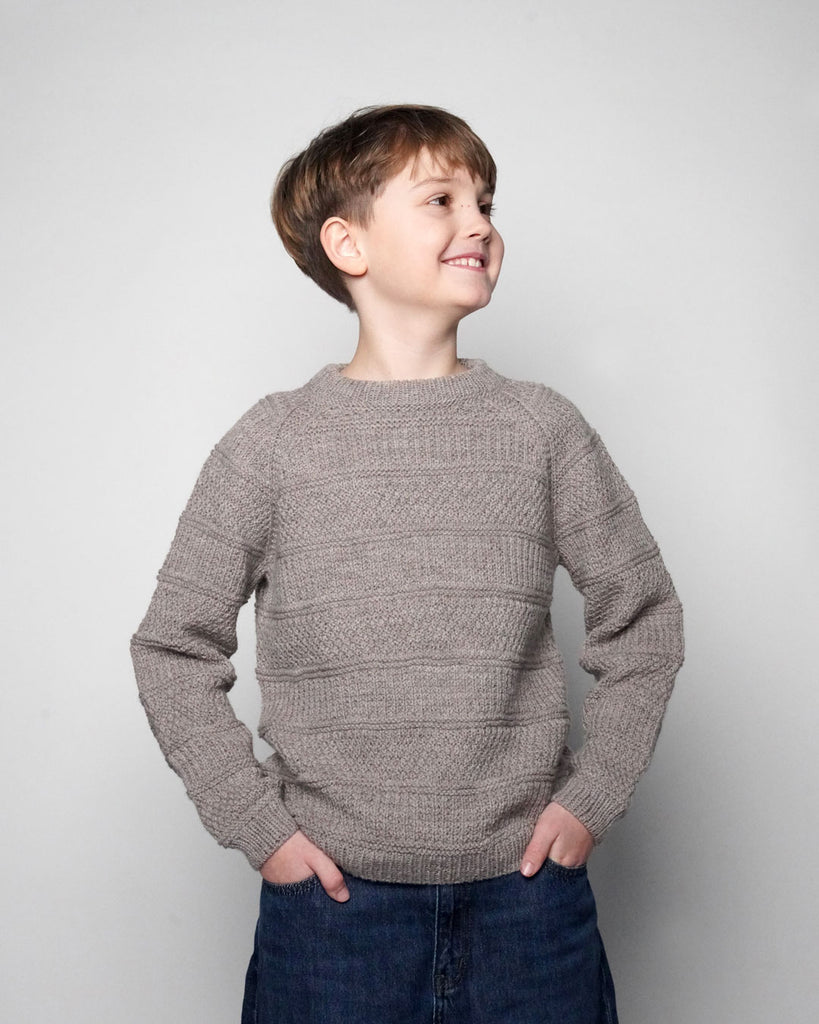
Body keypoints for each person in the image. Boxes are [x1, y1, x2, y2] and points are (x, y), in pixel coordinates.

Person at [131, 104, 684, 1023]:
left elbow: (643, 620)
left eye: (486, 203)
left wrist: (591, 799)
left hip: (527, 906)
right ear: (346, 243)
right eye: (441, 200)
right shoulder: (271, 444)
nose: (480, 224)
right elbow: (172, 650)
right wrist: (261, 829)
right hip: (333, 915)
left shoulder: (541, 429)